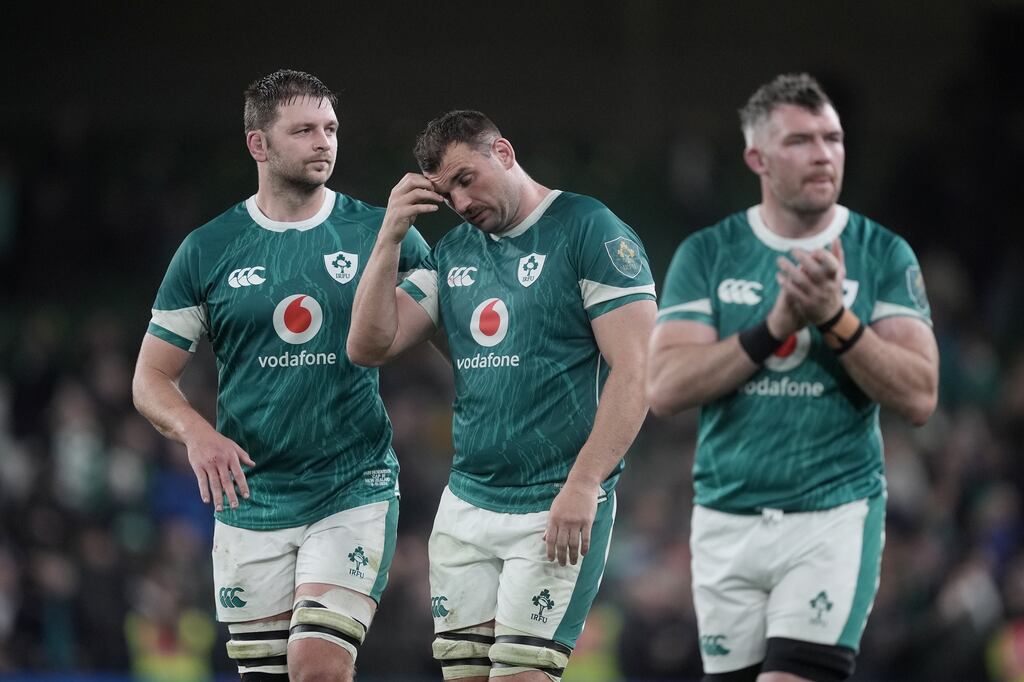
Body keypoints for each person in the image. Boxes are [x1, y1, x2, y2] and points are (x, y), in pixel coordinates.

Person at [131, 69, 430, 682]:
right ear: (258, 144)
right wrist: (197, 434)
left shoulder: (379, 231)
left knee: (317, 665)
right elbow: (150, 378)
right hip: (251, 496)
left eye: (331, 128)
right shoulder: (208, 249)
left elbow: (454, 322)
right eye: (304, 130)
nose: (324, 142)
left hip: (351, 485)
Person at [646, 72, 940, 682]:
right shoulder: (709, 252)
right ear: (757, 158)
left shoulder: (882, 253)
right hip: (725, 516)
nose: (823, 154)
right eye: (800, 141)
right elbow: (667, 387)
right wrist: (775, 326)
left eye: (833, 139)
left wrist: (835, 318)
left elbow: (919, 395)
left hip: (832, 514)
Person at [347, 110, 657, 682]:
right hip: (467, 504)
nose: (461, 202)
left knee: (521, 676)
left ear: (504, 153)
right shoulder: (454, 253)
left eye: (467, 179)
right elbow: (369, 345)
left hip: (555, 503)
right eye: (447, 194)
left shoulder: (589, 228)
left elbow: (638, 369)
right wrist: (390, 235)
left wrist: (584, 483)